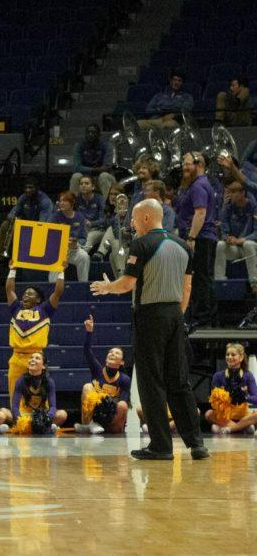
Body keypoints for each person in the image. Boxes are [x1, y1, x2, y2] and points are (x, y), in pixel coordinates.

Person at [90, 198, 209, 461]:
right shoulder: (183, 246)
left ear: (146, 218)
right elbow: (187, 287)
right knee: (179, 381)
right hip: (176, 316)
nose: (131, 223)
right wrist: (177, 314)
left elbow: (128, 283)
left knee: (151, 381)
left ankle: (161, 446)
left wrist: (107, 287)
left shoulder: (141, 244)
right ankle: (197, 444)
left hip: (150, 317)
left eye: (133, 218)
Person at [174, 151, 218, 326]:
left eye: (187, 163)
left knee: (200, 279)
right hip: (203, 237)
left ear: (198, 164)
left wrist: (191, 237)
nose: (184, 167)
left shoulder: (199, 185)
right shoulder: (197, 184)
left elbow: (200, 213)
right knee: (202, 278)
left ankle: (203, 319)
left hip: (200, 238)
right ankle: (206, 317)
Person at [4, 268, 64, 393]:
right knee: (14, 394)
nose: (26, 295)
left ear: (38, 299)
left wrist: (61, 272)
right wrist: (12, 270)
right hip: (16, 357)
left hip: (35, 356)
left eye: (30, 294)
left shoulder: (45, 309)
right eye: (25, 293)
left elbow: (57, 292)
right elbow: (9, 290)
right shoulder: (17, 308)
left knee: (37, 394)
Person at [76, 315, 130, 434]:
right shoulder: (98, 370)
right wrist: (89, 331)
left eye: (116, 353)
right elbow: (87, 351)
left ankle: (106, 427)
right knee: (87, 387)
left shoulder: (124, 379)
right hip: (94, 415)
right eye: (110, 352)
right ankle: (88, 424)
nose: (112, 354)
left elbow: (123, 401)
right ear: (106, 358)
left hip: (112, 417)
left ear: (121, 362)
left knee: (123, 405)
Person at [0, 178, 52, 260]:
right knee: (6, 225)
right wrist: (18, 221)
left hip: (43, 229)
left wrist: (24, 224)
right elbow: (11, 215)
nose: (28, 190)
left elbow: (43, 224)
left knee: (36, 228)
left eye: (31, 188)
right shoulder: (23, 198)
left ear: (37, 188)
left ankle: (29, 257)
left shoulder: (45, 201)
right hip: (27, 225)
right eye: (26, 188)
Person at [214, 181, 257, 293]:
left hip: (251, 246)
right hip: (236, 248)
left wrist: (242, 240)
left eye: (234, 192)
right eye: (230, 192)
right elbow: (224, 230)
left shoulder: (253, 207)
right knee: (220, 245)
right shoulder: (228, 208)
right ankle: (219, 281)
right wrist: (227, 238)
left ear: (243, 193)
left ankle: (254, 283)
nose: (231, 195)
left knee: (248, 244)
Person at [205, 343, 257, 434]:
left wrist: (245, 397)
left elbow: (256, 398)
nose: (229, 357)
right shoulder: (218, 376)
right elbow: (213, 400)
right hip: (225, 417)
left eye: (233, 355)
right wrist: (227, 397)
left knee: (215, 428)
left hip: (243, 415)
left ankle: (231, 429)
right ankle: (240, 428)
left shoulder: (247, 375)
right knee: (208, 413)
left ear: (241, 358)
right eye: (227, 354)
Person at [7, 352, 68, 429]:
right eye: (31, 357)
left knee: (62, 414)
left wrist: (47, 418)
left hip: (42, 415)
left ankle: (46, 425)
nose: (32, 359)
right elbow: (15, 406)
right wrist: (20, 420)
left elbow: (53, 407)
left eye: (37, 358)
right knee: (4, 413)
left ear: (43, 366)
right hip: (25, 415)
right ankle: (48, 427)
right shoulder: (21, 380)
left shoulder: (49, 381)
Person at [48, 192, 90, 281]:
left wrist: (76, 243)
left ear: (72, 202)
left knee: (84, 256)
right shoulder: (54, 217)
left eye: (64, 201)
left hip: (74, 249)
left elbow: (83, 238)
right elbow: (48, 236)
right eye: (60, 201)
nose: (61, 203)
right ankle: (53, 287)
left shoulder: (79, 217)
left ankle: (83, 285)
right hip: (58, 250)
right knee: (57, 261)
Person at [69, 124, 116, 196]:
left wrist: (87, 169)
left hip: (102, 177)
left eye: (93, 132)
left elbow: (107, 167)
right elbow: (77, 167)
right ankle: (72, 204)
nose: (90, 134)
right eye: (88, 132)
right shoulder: (79, 146)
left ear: (99, 135)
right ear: (85, 134)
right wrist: (93, 170)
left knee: (104, 176)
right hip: (85, 177)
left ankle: (106, 205)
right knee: (76, 176)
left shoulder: (107, 146)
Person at [95, 192, 133, 277]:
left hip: (132, 244)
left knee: (115, 244)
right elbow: (116, 234)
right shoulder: (115, 218)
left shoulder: (133, 216)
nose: (122, 208)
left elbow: (137, 233)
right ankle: (120, 277)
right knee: (112, 255)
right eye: (119, 206)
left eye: (124, 205)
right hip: (120, 244)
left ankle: (101, 252)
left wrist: (127, 232)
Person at [74, 176, 109, 255]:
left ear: (93, 187)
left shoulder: (100, 199)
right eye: (81, 184)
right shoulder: (77, 200)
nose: (83, 185)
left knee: (89, 236)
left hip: (98, 230)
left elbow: (103, 221)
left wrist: (91, 223)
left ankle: (81, 256)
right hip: (82, 228)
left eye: (86, 183)